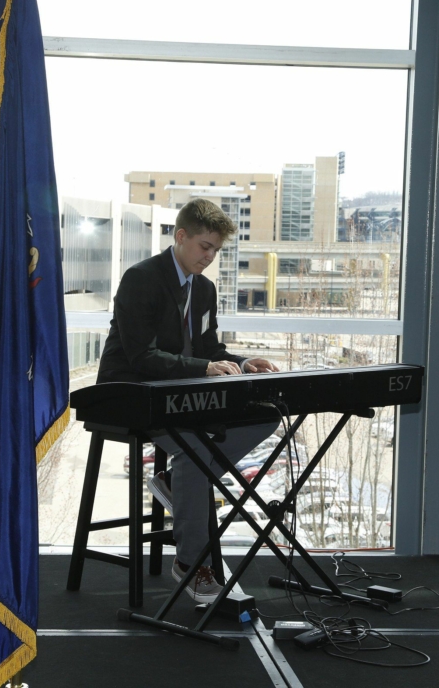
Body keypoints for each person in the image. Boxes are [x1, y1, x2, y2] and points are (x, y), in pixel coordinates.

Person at [96, 198, 279, 603]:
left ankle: (177, 481)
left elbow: (210, 348)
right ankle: (191, 564)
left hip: (179, 393)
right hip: (127, 390)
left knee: (265, 417)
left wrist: (242, 362)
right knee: (194, 450)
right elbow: (141, 357)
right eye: (204, 247)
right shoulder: (141, 279)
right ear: (181, 237)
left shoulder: (205, 289)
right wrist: (204, 368)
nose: (210, 257)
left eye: (216, 250)